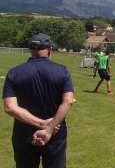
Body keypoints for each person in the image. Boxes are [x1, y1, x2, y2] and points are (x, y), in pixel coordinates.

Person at [2, 33, 74, 167]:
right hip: (54, 134)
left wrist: (41, 125)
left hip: (24, 135)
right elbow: (68, 101)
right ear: (49, 49)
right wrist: (48, 128)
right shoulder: (62, 71)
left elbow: (10, 107)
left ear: (30, 49)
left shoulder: (14, 73)